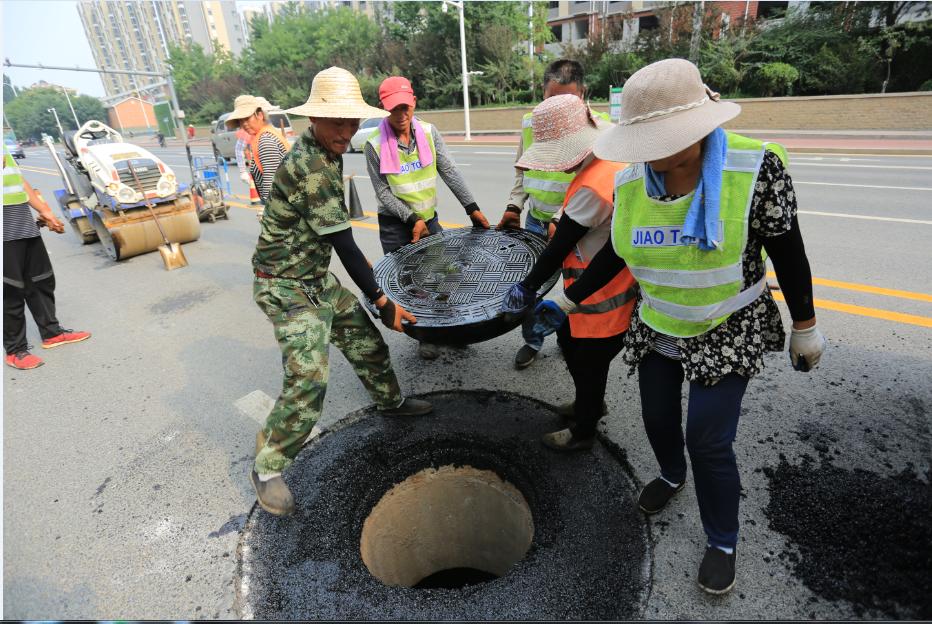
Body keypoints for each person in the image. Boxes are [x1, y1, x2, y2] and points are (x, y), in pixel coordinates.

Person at [535, 59, 826, 594]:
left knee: (709, 439)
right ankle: (671, 474)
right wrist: (569, 301)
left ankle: (722, 540)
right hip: (660, 321)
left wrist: (805, 326)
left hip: (727, 323)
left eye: (659, 138)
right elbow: (618, 253)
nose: (647, 152)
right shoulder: (633, 179)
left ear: (697, 128)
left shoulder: (755, 168)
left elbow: (789, 250)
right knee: (657, 417)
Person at [251, 67, 433, 517]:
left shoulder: (328, 154)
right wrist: (384, 299)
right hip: (285, 286)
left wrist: (375, 299)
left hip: (314, 278)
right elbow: (347, 246)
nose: (346, 131)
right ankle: (268, 466)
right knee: (309, 378)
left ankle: (391, 403)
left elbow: (341, 242)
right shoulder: (312, 164)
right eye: (337, 122)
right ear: (313, 119)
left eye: (352, 122)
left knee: (363, 340)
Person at [501, 95, 637, 451]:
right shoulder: (608, 156)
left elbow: (558, 247)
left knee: (587, 360)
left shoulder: (594, 184)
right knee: (572, 346)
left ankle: (584, 430)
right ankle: (586, 405)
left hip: (600, 297)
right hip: (601, 285)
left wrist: (526, 288)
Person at [498, 59, 613, 370]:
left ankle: (568, 337)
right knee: (531, 282)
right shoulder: (533, 122)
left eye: (567, 100)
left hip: (577, 225)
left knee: (571, 285)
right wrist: (514, 205)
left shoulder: (601, 129)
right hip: (537, 217)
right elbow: (522, 168)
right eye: (550, 99)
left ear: (583, 93)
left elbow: (595, 184)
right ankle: (533, 339)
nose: (556, 107)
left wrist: (562, 219)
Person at [365, 75, 489, 360]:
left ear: (414, 103)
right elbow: (383, 192)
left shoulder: (429, 132)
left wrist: (472, 207)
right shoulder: (374, 144)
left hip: (429, 220)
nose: (401, 114)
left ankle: (451, 329)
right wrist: (411, 219)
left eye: (405, 107)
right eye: (394, 108)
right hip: (396, 225)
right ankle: (425, 335)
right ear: (384, 108)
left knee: (445, 277)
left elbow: (450, 171)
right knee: (412, 284)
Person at [4, 147, 91, 369]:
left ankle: (51, 332)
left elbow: (18, 181)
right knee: (10, 290)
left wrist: (45, 210)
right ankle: (15, 350)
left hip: (22, 221)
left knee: (40, 279)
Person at [225, 94, 289, 204]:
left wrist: (270, 215)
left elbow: (271, 186)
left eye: (247, 118)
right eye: (241, 120)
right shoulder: (263, 135)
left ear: (259, 115)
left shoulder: (265, 141)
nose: (244, 124)